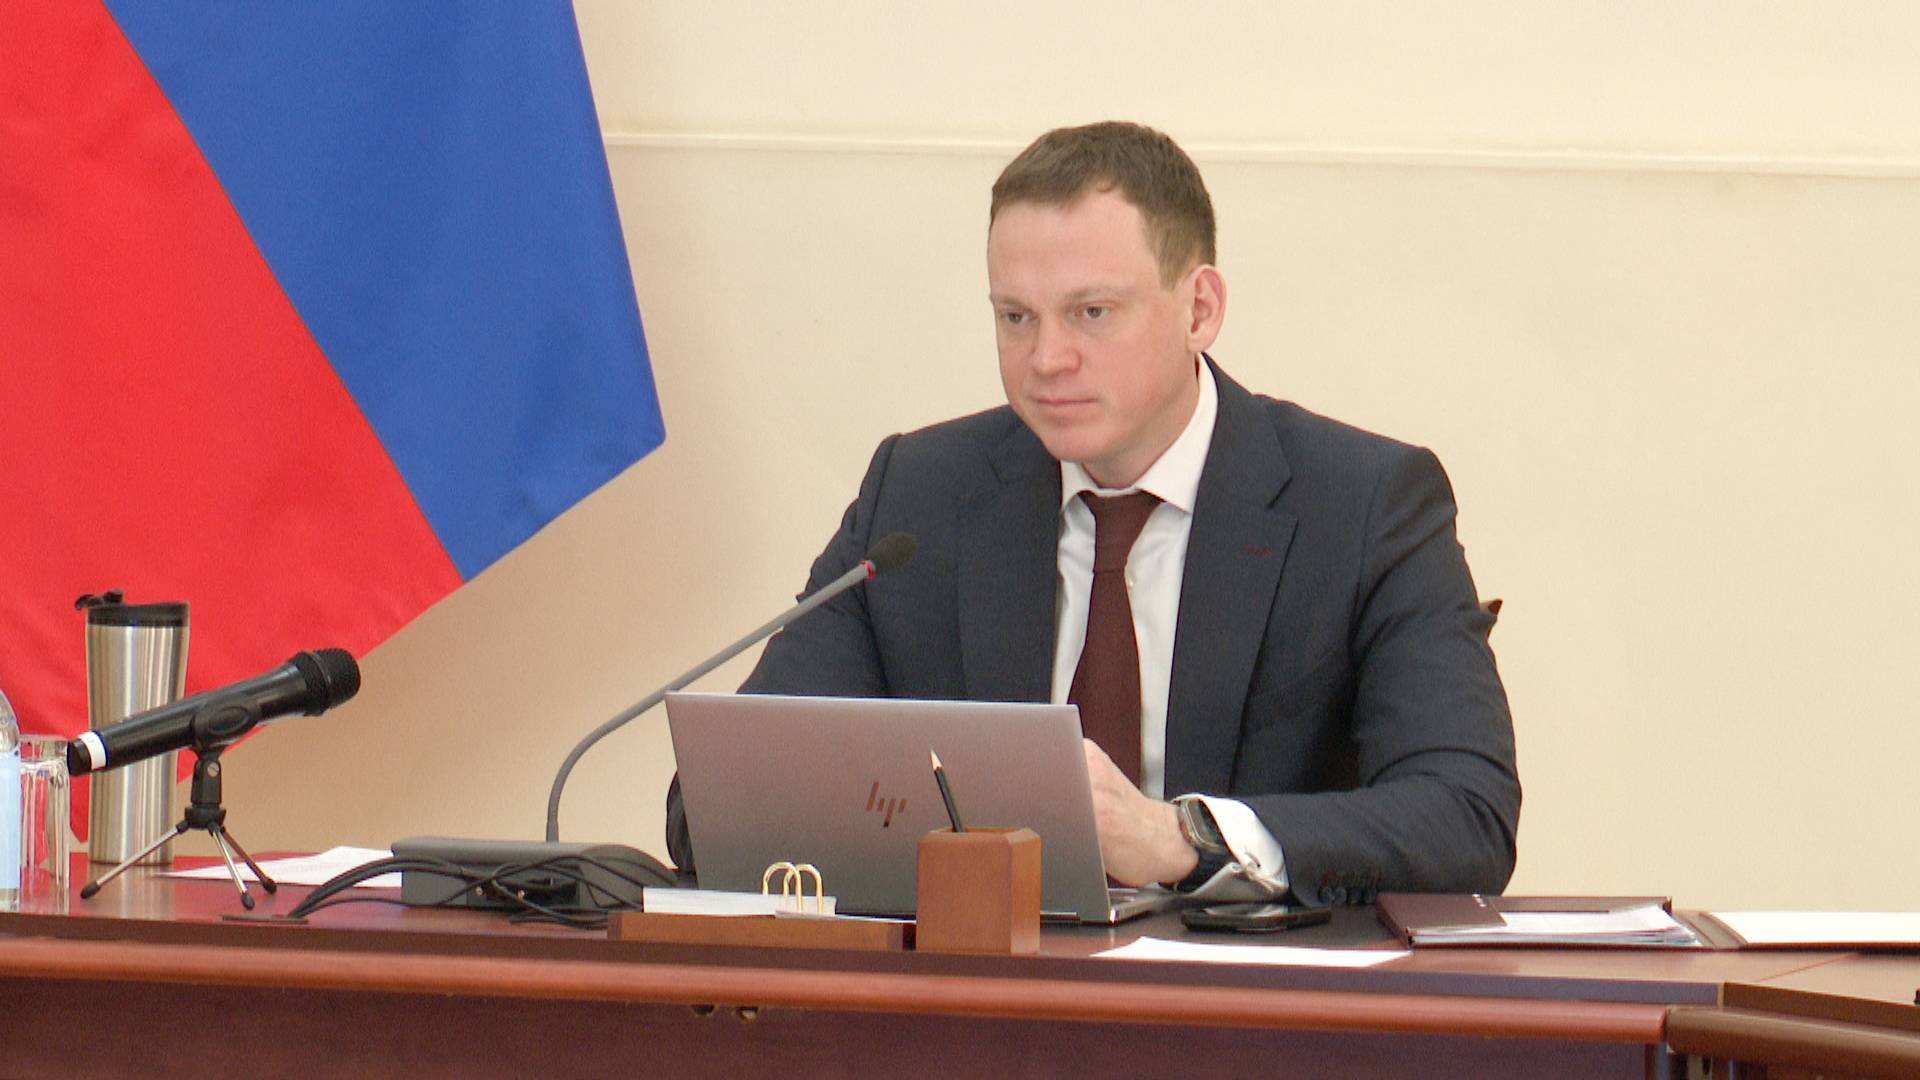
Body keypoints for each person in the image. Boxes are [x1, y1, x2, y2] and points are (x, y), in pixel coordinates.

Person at [667, 121, 1519, 906]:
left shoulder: (1364, 504)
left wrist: (1180, 839)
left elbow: (1465, 816)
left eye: (1092, 313)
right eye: (1016, 317)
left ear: (1199, 309)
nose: (1046, 358)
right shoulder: (919, 497)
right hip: (983, 992)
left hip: (1244, 1001)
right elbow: (717, 808)